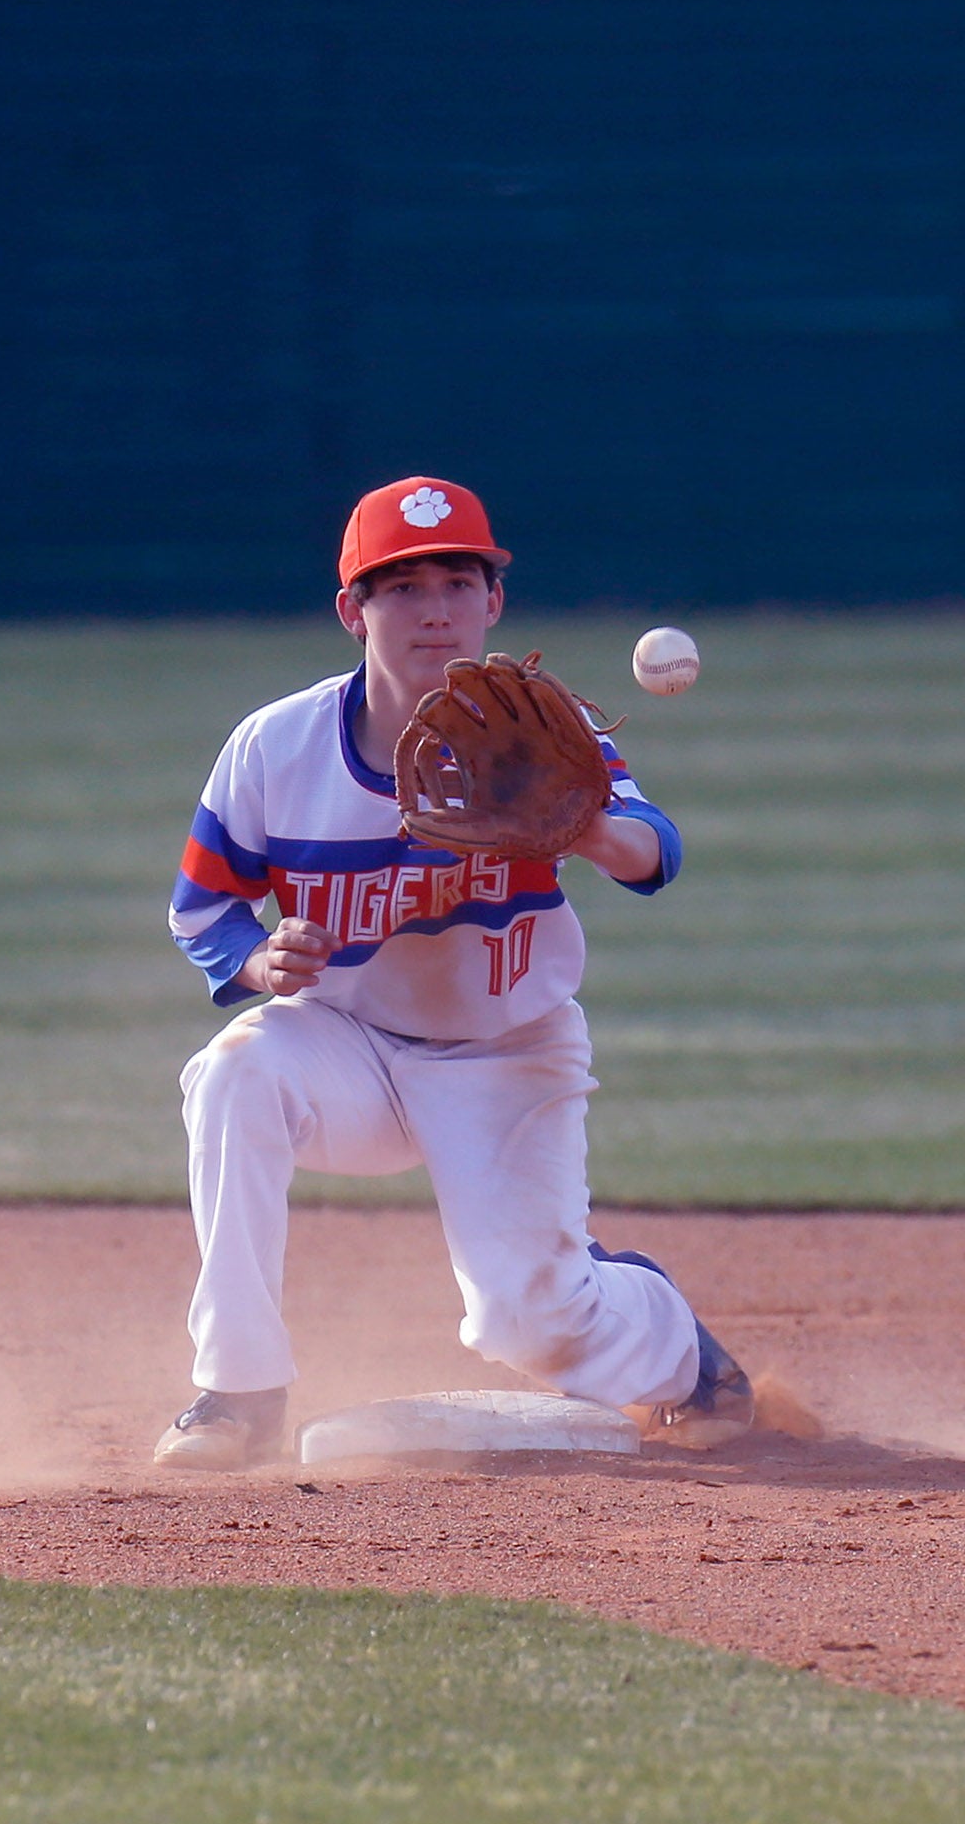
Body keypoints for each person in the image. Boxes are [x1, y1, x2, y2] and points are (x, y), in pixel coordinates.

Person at [156, 476, 764, 1470]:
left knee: (530, 1323)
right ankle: (237, 1390)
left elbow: (657, 854)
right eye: (400, 586)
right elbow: (203, 908)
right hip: (344, 1045)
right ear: (353, 609)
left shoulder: (541, 734)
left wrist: (582, 823)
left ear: (494, 602)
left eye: (457, 579)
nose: (432, 607)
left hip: (505, 1051)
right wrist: (256, 956)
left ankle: (678, 1350)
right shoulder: (276, 746)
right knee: (232, 1074)